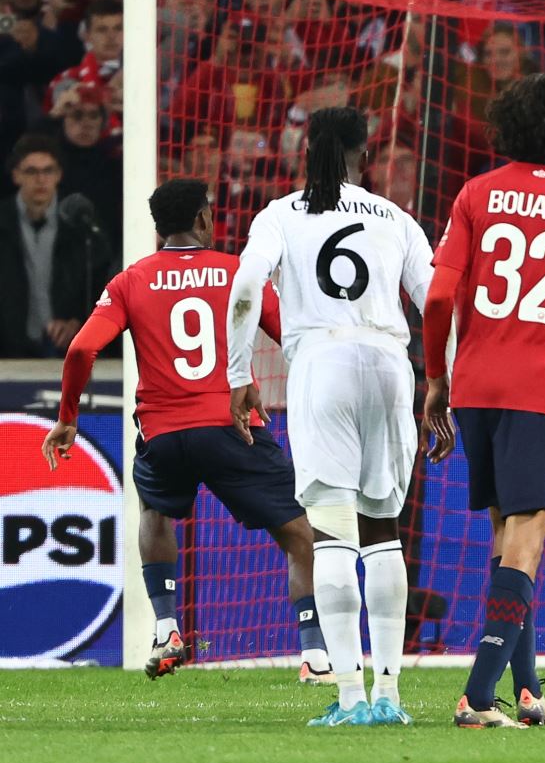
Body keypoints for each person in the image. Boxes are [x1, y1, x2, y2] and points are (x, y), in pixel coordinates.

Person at [42, 177, 330, 684]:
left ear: (158, 228)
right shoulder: (238, 272)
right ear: (202, 220)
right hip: (231, 426)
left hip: (163, 433)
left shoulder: (128, 282)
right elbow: (291, 337)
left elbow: (81, 349)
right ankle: (314, 653)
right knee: (300, 533)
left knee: (154, 511)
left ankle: (167, 628)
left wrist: (68, 417)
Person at [419, 73, 545, 729]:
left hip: (477, 383)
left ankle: (527, 689)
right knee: (530, 539)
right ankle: (478, 697)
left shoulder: (476, 193)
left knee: (510, 537)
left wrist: (435, 378)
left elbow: (436, 298)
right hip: (543, 388)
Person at [225, 107, 435, 727]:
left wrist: (241, 376)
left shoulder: (282, 213)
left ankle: (348, 697)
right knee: (384, 530)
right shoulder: (396, 217)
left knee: (333, 533)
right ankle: (391, 695)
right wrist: (445, 382)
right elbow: (437, 300)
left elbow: (243, 289)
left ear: (305, 151)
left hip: (321, 364)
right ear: (364, 156)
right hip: (392, 366)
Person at [0, 135, 115, 358]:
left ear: (59, 174)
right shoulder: (2, 221)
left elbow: (102, 279)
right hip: (6, 350)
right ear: (16, 175)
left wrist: (78, 320)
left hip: (67, 348)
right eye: (31, 171)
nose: (41, 179)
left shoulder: (80, 222)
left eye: (48, 170)